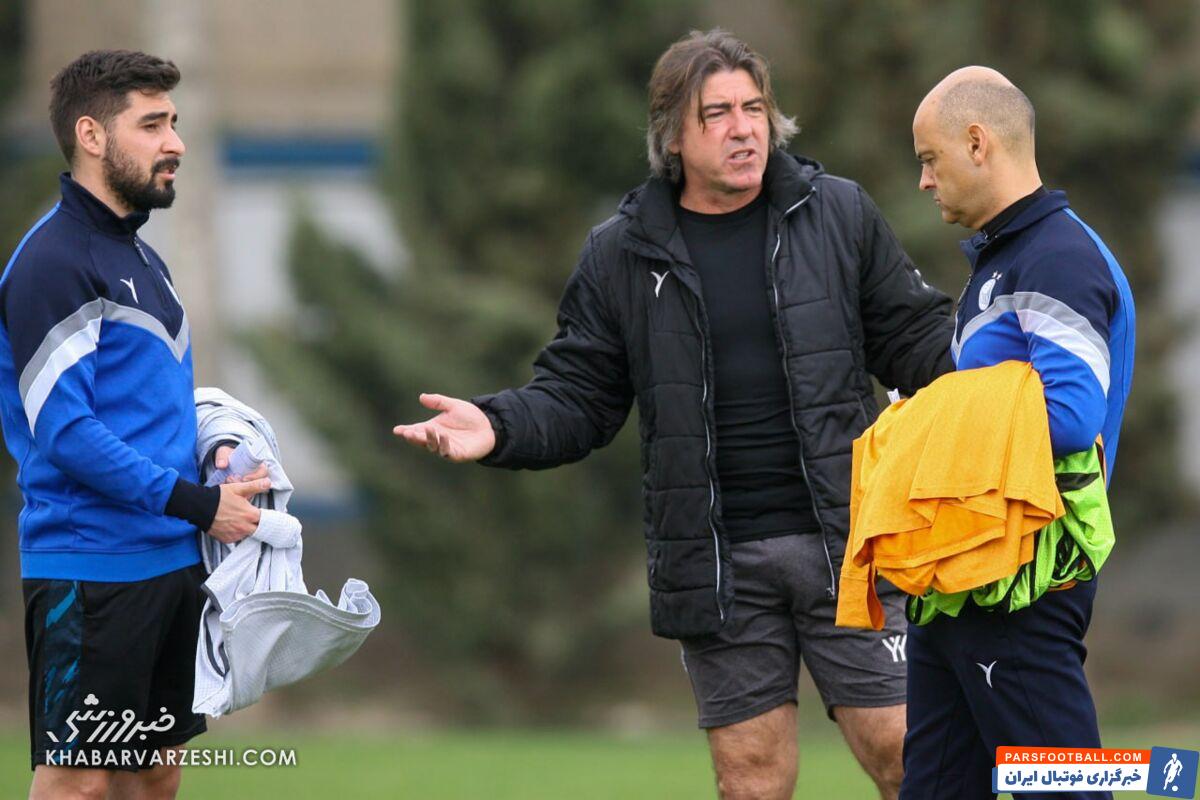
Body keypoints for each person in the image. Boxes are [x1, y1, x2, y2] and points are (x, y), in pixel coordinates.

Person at [394, 29, 954, 800]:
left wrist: (1004, 368)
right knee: (751, 782)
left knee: (905, 753)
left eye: (754, 109)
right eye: (717, 114)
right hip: (716, 566)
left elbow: (916, 340)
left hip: (850, 541)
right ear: (673, 137)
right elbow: (579, 395)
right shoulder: (622, 251)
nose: (743, 129)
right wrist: (499, 426)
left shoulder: (839, 213)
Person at [0, 50, 268, 800]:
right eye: (151, 125)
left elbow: (148, 409)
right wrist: (199, 505)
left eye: (173, 123)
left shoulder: (143, 259)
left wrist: (215, 451)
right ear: (91, 135)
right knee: (78, 782)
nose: (174, 143)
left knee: (153, 775)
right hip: (91, 569)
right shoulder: (54, 261)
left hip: (169, 561)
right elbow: (66, 433)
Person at [902, 66, 1136, 800]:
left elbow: (1069, 417)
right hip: (961, 581)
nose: (924, 181)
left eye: (930, 159)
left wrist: (925, 427)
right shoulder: (1004, 258)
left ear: (978, 144)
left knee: (1065, 791)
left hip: (1022, 585)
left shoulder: (1055, 257)